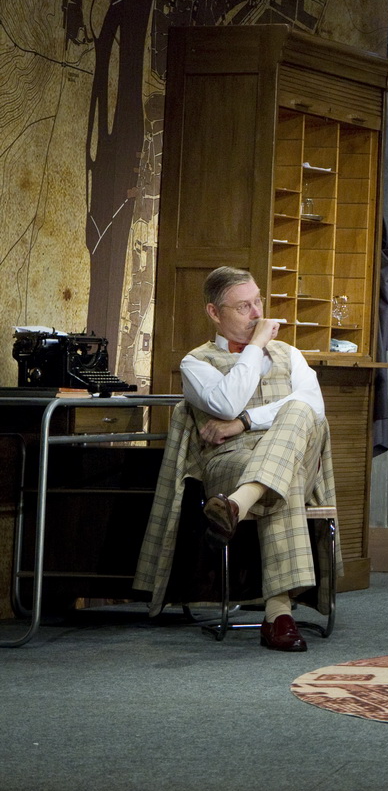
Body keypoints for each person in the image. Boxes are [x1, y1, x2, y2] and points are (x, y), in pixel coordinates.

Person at [132, 266, 335, 651]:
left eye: (258, 301)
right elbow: (226, 401)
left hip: (286, 462)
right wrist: (255, 347)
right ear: (214, 312)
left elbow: (314, 408)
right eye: (244, 307)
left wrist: (244, 422)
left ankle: (236, 506)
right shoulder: (196, 363)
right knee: (282, 479)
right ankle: (278, 614)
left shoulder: (290, 355)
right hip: (230, 464)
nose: (257, 313)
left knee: (299, 411)